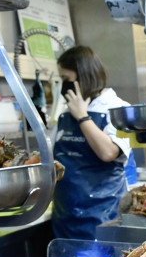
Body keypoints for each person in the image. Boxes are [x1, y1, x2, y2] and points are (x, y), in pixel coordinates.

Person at [52, 46, 133, 241]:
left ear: (84, 77)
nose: (63, 86)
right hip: (65, 215)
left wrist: (82, 116)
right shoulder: (64, 113)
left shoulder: (117, 108)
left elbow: (108, 152)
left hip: (103, 214)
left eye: (66, 79)